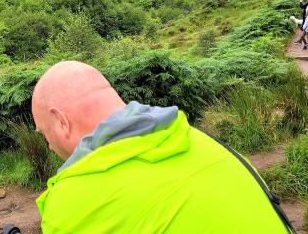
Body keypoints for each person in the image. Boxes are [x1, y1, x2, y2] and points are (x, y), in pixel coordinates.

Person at [32, 61, 292, 233]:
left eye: (45, 133)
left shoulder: (70, 201)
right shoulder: (206, 142)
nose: (50, 145)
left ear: (62, 121)